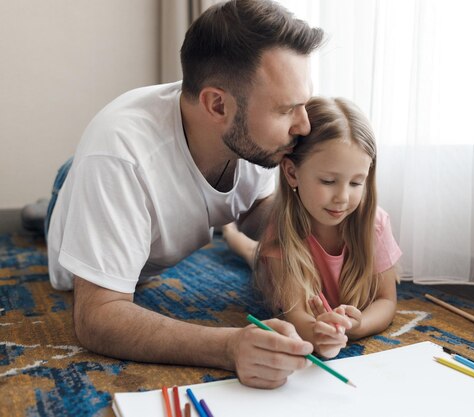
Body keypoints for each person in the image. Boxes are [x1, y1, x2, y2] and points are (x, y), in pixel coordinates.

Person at [45, 0, 325, 389]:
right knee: (65, 195)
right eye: (286, 110)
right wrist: (229, 347)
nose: (305, 125)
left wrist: (334, 231)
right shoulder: (120, 155)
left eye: (304, 104)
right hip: (87, 181)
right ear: (217, 105)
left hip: (128, 184)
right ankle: (55, 198)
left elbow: (257, 210)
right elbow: (98, 317)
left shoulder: (252, 140)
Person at [223, 97, 402, 359]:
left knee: (253, 251)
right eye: (329, 181)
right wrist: (316, 332)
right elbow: (295, 314)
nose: (342, 197)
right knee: (250, 252)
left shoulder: (375, 223)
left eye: (356, 183)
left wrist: (358, 324)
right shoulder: (281, 230)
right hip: (275, 263)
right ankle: (229, 231)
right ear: (293, 173)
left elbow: (387, 301)